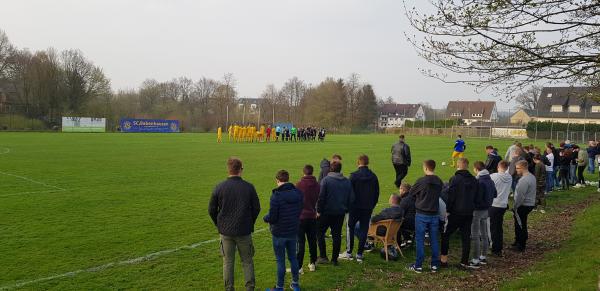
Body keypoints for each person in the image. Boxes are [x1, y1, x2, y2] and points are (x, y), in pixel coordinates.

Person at [208, 157, 261, 291]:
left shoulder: (219, 187)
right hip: (243, 231)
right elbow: (256, 208)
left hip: (226, 231)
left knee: (228, 262)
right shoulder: (249, 187)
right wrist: (250, 221)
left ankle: (229, 288)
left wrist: (218, 223)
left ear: (229, 169)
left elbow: (211, 210)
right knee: (247, 261)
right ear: (240, 170)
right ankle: (250, 288)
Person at [263, 170, 303, 291]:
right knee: (293, 258)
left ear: (277, 180)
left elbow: (273, 217)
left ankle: (279, 287)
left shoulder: (276, 196)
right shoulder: (298, 193)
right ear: (288, 179)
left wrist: (266, 218)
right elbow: (300, 209)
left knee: (280, 260)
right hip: (293, 231)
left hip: (279, 233)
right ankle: (295, 284)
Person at [340, 155, 379, 263]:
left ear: (358, 163)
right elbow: (376, 193)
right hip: (367, 207)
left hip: (355, 207)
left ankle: (349, 252)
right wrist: (372, 205)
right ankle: (359, 253)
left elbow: (348, 192)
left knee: (350, 228)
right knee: (363, 229)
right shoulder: (373, 176)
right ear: (368, 163)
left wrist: (348, 206)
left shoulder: (353, 176)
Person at [441, 158, 478, 269]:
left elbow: (451, 196)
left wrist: (448, 210)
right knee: (466, 237)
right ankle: (464, 261)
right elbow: (476, 196)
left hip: (456, 212)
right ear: (467, 166)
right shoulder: (474, 180)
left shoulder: (455, 179)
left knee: (446, 234)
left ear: (458, 165)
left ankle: (443, 260)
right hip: (469, 212)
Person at [407, 160, 444, 273]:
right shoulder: (439, 181)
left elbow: (411, 193)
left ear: (426, 168)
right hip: (433, 213)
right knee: (434, 239)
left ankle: (418, 265)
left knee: (420, 239)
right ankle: (434, 265)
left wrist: (420, 196)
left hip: (422, 213)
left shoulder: (421, 181)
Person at [316, 161, 354, 266]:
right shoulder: (346, 181)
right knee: (336, 235)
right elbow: (351, 198)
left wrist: (318, 210)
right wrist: (346, 209)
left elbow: (321, 197)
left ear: (330, 169)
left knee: (319, 232)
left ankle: (323, 256)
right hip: (339, 212)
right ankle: (334, 259)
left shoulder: (326, 180)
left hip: (326, 212)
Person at [470, 161, 497, 266]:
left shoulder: (479, 181)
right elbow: (495, 194)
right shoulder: (490, 180)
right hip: (487, 209)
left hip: (478, 210)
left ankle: (476, 259)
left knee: (476, 235)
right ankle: (483, 256)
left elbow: (477, 198)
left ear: (476, 169)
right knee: (484, 233)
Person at [295, 165, 320, 273]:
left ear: (303, 172)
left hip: (301, 217)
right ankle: (312, 263)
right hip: (312, 216)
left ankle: (299, 267)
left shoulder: (299, 185)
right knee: (312, 241)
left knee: (300, 242)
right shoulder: (317, 185)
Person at [512, 160, 537, 252]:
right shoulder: (532, 177)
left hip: (523, 205)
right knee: (522, 223)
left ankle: (521, 245)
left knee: (520, 225)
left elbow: (520, 196)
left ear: (523, 168)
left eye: (518, 168)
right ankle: (519, 240)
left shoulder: (524, 180)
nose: (516, 170)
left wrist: (515, 206)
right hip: (529, 204)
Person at [489, 160, 512, 257]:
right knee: (498, 227)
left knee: (494, 227)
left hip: (494, 204)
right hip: (503, 204)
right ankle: (498, 246)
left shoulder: (494, 176)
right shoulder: (509, 177)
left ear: (498, 167)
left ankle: (496, 249)